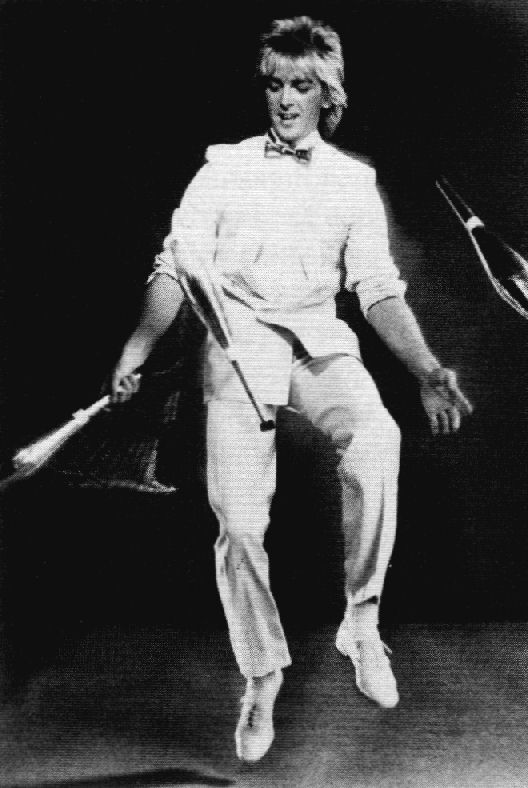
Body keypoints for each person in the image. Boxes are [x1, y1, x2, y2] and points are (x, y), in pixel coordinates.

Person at [111, 16, 472, 762]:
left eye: (301, 85)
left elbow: (376, 288)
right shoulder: (223, 169)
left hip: (317, 341)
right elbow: (175, 268)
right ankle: (262, 675)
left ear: (327, 94)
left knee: (378, 437)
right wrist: (137, 349)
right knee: (240, 523)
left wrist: (428, 369)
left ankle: (361, 625)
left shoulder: (352, 182)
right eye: (275, 84)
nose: (284, 100)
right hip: (238, 342)